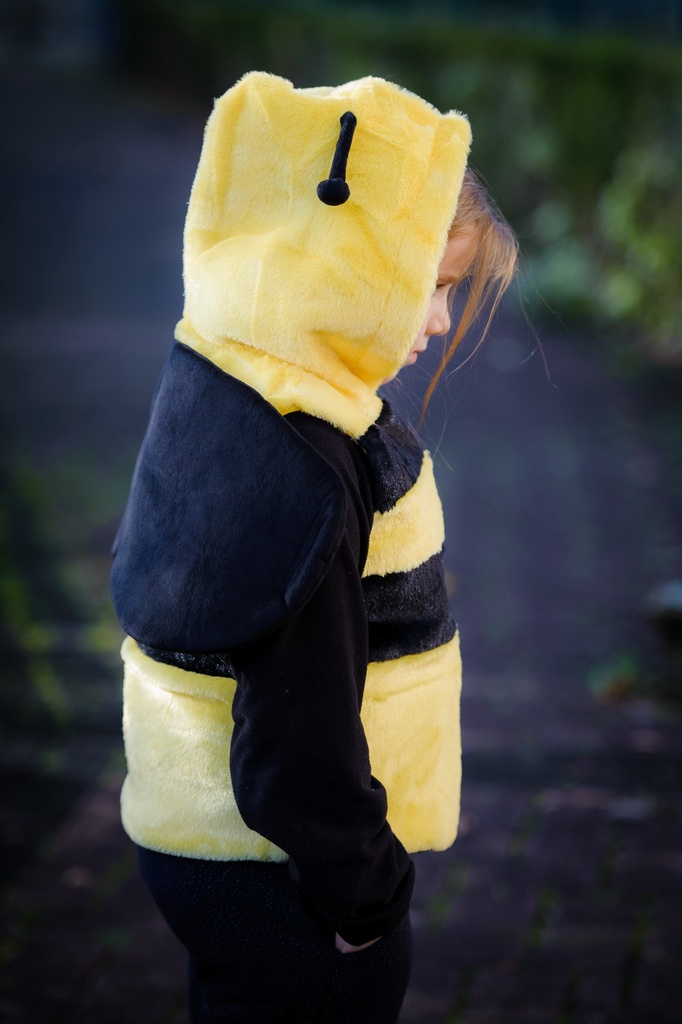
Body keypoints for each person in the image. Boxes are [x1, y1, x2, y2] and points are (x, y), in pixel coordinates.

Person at [110, 71, 518, 1024]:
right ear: (345, 257)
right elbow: (297, 738)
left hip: (202, 849)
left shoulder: (225, 371)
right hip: (281, 876)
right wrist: (369, 900)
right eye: (432, 284)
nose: (436, 323)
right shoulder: (309, 466)